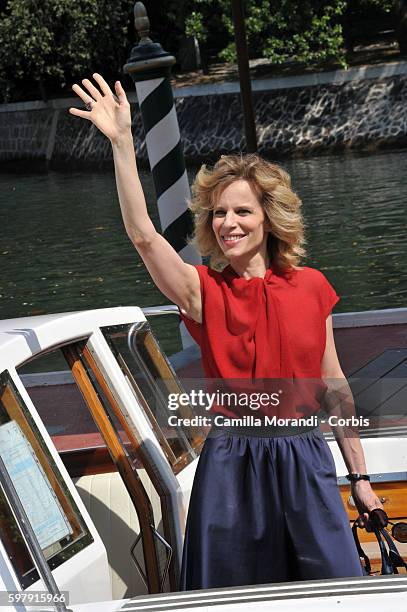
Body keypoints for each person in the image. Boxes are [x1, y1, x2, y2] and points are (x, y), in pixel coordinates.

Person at [70, 74, 383, 589]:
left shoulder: (313, 288)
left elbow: (335, 386)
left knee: (335, 588)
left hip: (304, 454)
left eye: (242, 210)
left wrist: (362, 478)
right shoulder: (202, 292)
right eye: (218, 213)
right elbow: (143, 236)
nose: (227, 223)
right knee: (231, 595)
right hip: (232, 463)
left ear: (269, 218)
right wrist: (124, 144)